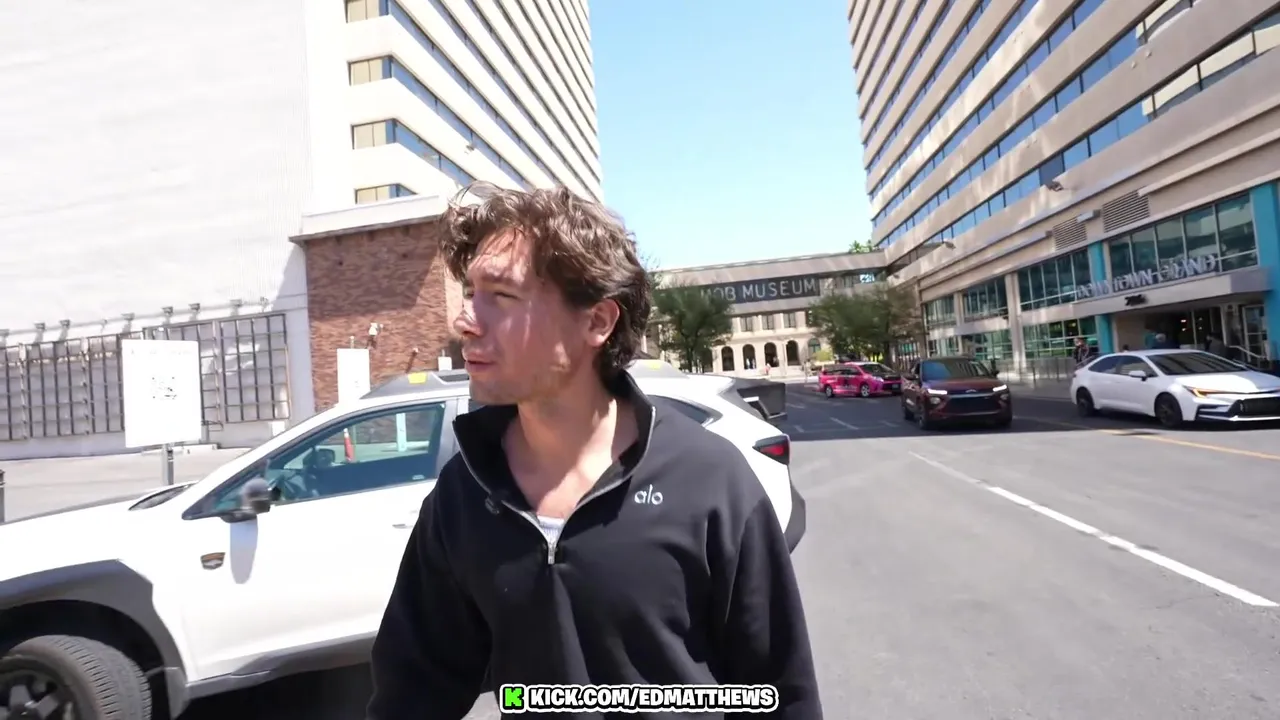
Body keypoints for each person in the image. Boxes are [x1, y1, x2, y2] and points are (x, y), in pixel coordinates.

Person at [366, 183, 822, 719]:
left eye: (502, 296)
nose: (465, 321)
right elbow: (412, 692)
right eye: (471, 293)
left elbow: (782, 693)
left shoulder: (709, 480)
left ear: (597, 322)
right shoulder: (465, 493)